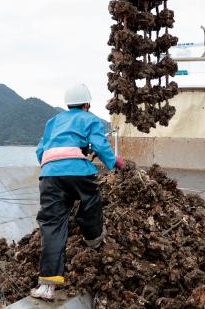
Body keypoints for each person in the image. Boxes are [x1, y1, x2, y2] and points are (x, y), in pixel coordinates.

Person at [31, 83, 125, 300]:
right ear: (86, 104)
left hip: (50, 175)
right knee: (90, 200)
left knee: (52, 225)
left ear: (68, 103)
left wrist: (51, 167)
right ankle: (93, 238)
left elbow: (40, 150)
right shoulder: (90, 119)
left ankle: (48, 285)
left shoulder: (52, 122)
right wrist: (114, 162)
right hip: (77, 172)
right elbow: (100, 146)